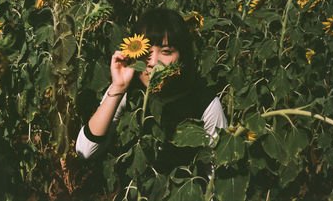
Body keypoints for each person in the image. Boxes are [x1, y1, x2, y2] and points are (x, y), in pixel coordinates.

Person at [76, 8, 228, 162]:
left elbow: (217, 168)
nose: (153, 62)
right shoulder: (128, 91)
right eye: (145, 51)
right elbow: (85, 151)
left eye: (166, 51)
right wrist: (118, 88)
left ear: (182, 56)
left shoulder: (203, 102)